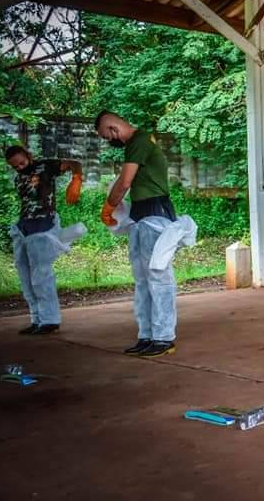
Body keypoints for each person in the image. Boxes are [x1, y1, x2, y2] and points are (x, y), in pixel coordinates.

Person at [95, 111, 185, 358]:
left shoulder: (139, 140)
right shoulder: (136, 144)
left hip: (155, 213)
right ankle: (147, 335)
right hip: (140, 215)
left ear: (113, 128)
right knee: (143, 280)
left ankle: (163, 337)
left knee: (158, 277)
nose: (108, 141)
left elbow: (125, 182)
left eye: (106, 136)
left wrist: (109, 206)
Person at [5, 145, 84, 334]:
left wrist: (76, 179)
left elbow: (74, 163)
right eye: (15, 166)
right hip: (24, 226)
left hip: (43, 223)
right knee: (25, 275)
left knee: (41, 274)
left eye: (21, 163)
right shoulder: (19, 178)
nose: (19, 168)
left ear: (28, 156)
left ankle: (49, 320)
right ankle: (36, 319)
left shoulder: (46, 166)